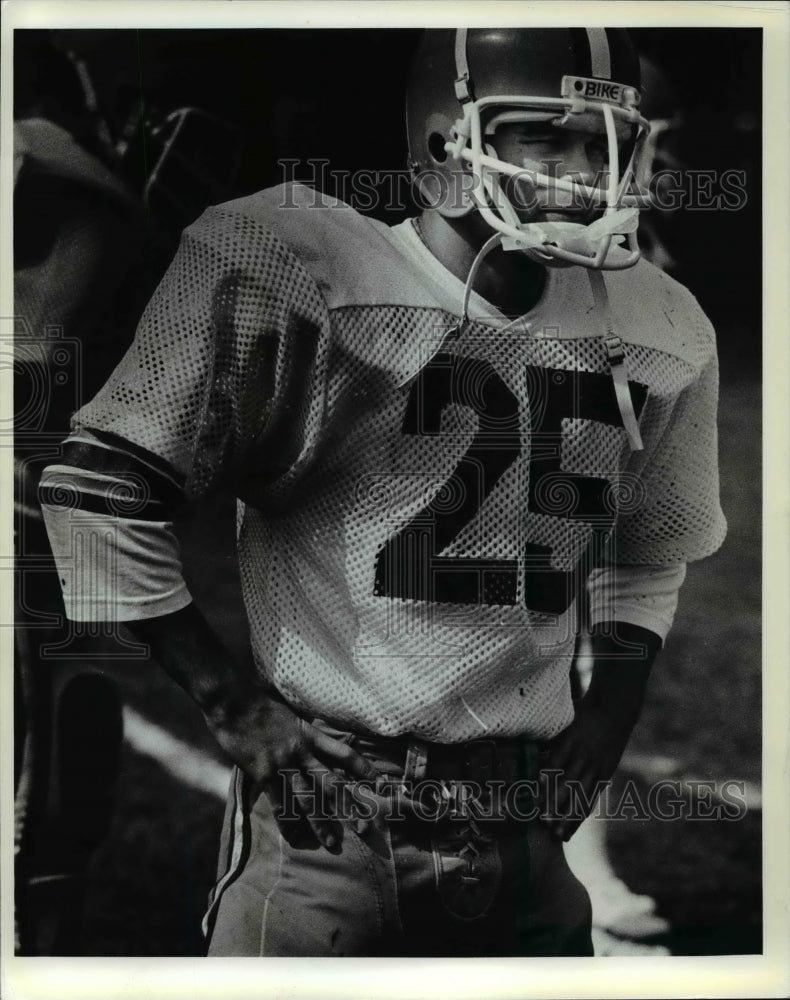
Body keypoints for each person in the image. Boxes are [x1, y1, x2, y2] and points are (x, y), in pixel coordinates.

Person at [39, 28, 726, 957]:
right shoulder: (302, 265)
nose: (585, 173)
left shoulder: (658, 321)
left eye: (605, 142)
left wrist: (611, 713)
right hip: (334, 820)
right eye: (549, 140)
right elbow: (95, 491)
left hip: (525, 825)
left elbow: (650, 544)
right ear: (446, 144)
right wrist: (234, 706)